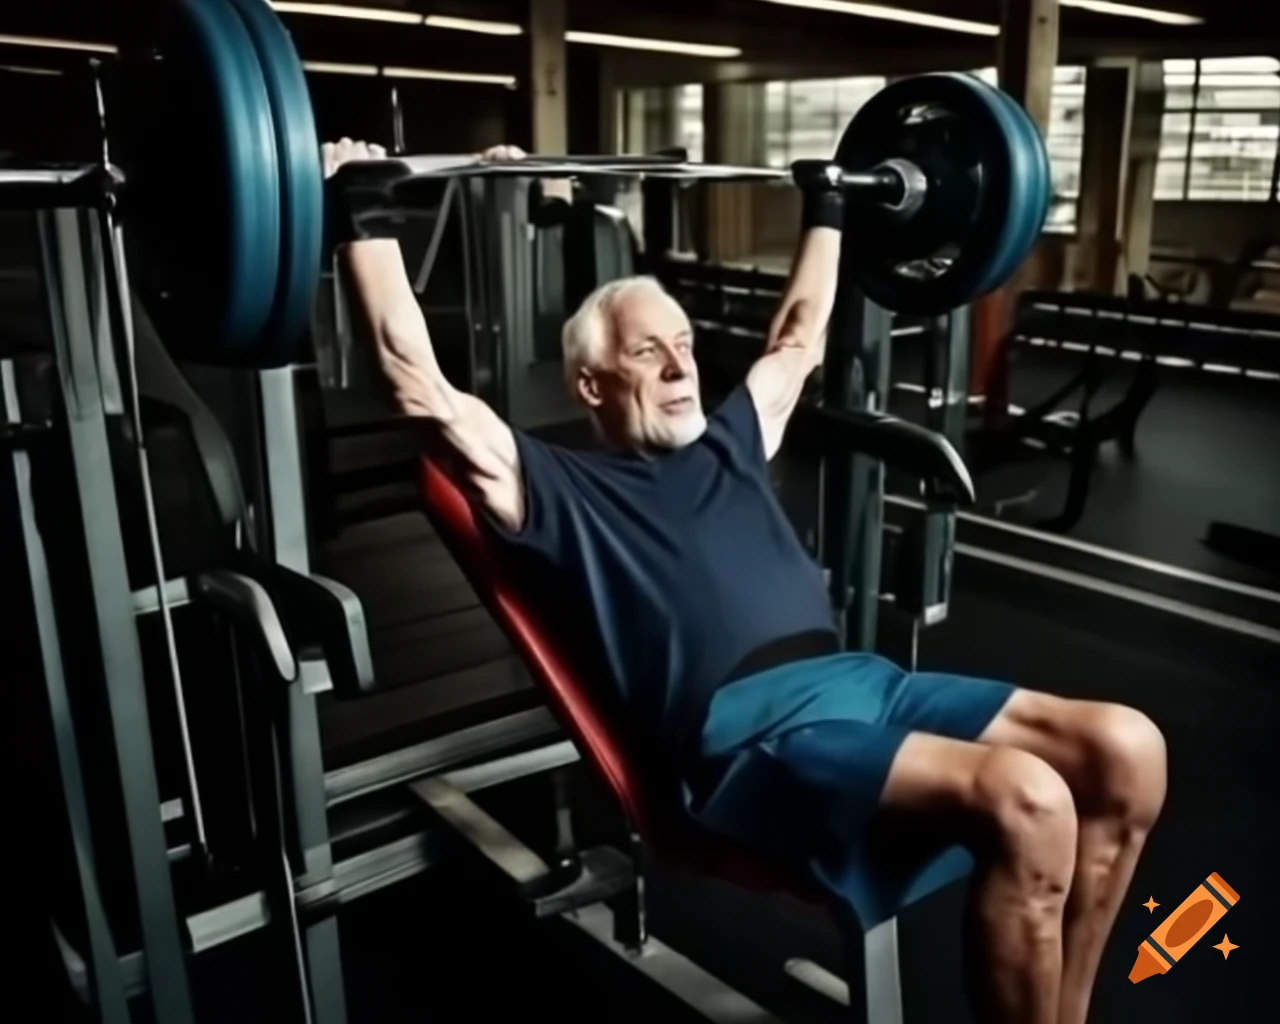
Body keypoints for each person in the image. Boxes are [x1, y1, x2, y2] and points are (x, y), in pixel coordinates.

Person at [325, 137, 1168, 1024]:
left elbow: (801, 331)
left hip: (865, 688)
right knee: (1028, 796)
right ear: (591, 383)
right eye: (649, 353)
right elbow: (420, 387)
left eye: (683, 344)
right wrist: (362, 210)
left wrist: (833, 203)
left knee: (1128, 748)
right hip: (748, 741)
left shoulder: (733, 440)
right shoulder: (551, 485)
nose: (683, 366)